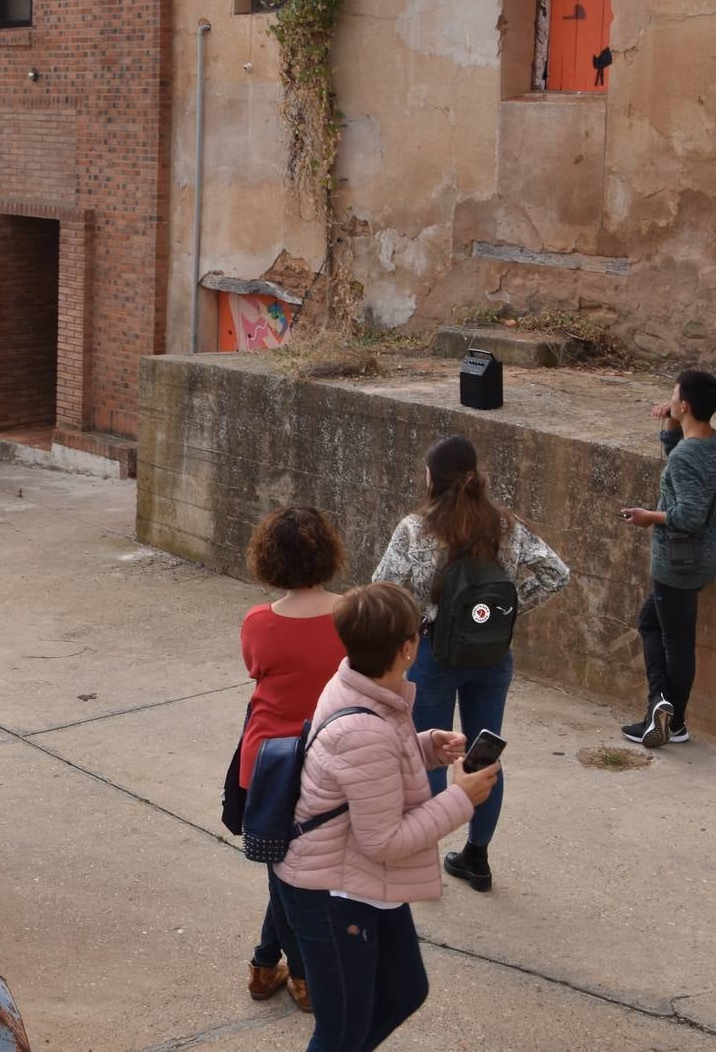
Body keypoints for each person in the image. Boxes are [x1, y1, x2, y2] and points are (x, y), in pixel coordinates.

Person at [274, 582, 498, 1052]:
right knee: (340, 1032)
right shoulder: (365, 726)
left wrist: (426, 747)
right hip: (332, 893)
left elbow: (365, 772)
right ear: (408, 647)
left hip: (359, 880)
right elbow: (384, 839)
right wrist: (461, 799)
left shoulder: (362, 685)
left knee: (404, 990)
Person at [371, 435, 568, 892]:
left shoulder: (415, 530)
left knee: (428, 756)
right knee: (484, 755)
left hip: (433, 655)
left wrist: (415, 622)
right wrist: (508, 612)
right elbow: (557, 572)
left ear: (431, 477)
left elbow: (383, 588)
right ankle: (477, 857)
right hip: (492, 656)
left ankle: (420, 855)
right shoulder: (506, 526)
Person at [238, 507, 348, 1009]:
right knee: (291, 875)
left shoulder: (259, 622)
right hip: (327, 759)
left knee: (281, 871)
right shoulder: (352, 614)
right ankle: (299, 974)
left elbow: (256, 670)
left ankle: (266, 966)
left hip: (267, 763)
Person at [620, 369, 716, 749]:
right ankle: (663, 709)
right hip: (703, 559)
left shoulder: (687, 457)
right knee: (651, 623)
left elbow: (691, 515)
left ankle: (671, 716)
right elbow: (679, 456)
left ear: (686, 404)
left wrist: (649, 517)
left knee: (675, 640)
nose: (668, 400)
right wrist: (671, 419)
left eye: (673, 396)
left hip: (677, 563)